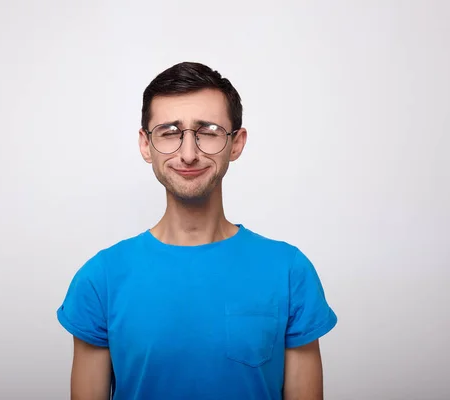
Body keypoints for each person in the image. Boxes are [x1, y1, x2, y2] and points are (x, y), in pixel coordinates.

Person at [56, 61, 338, 400]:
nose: (189, 154)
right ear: (146, 144)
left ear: (236, 143)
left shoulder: (290, 272)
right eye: (170, 132)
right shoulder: (99, 279)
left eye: (208, 131)